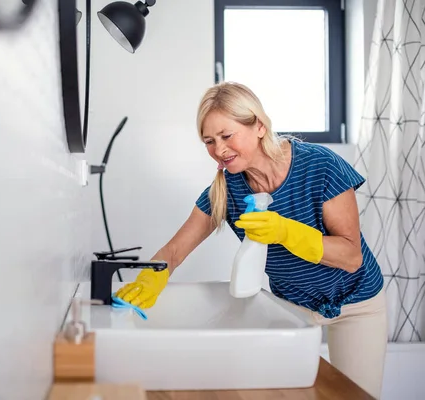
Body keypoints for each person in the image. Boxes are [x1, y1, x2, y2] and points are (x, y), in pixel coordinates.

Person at [114, 81, 388, 399]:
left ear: (258, 126)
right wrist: (150, 277)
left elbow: (351, 256)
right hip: (291, 306)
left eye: (227, 136)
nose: (218, 149)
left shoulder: (320, 167)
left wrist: (287, 232)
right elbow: (175, 250)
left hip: (356, 303)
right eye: (209, 141)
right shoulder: (225, 191)